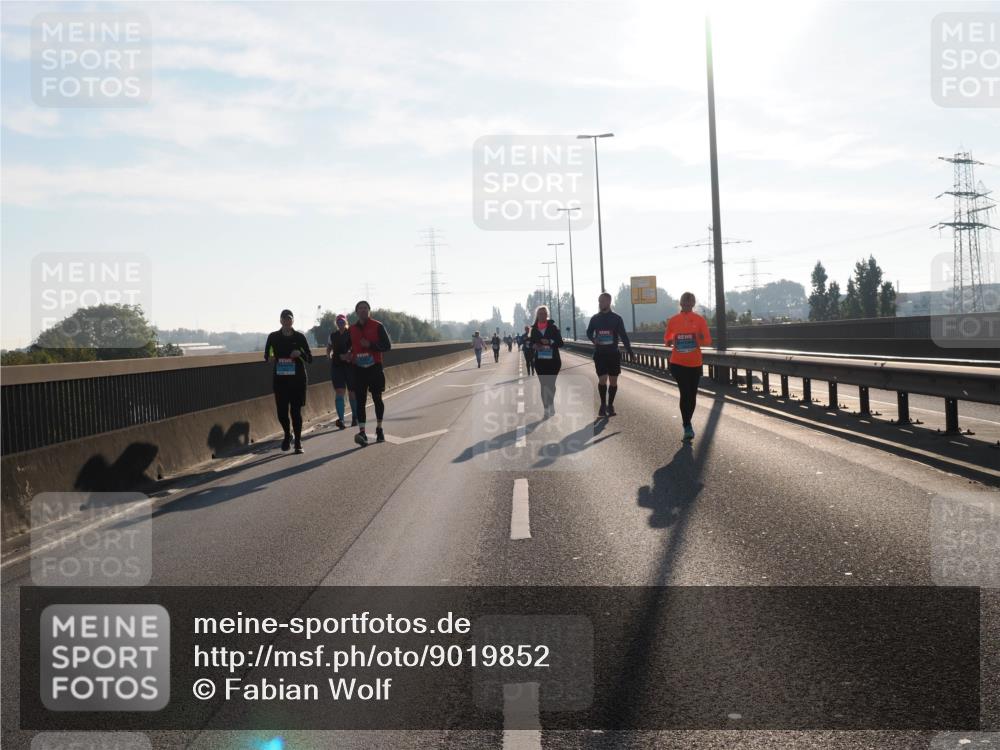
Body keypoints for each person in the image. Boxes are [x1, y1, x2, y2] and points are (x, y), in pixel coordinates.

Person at [664, 292, 712, 441]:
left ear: (693, 303)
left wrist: (697, 340)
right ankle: (687, 426)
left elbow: (708, 341)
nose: (686, 304)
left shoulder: (699, 320)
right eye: (684, 301)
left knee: (692, 395)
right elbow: (666, 339)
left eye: (689, 302)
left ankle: (687, 423)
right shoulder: (673, 320)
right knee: (685, 393)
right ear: (680, 303)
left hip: (695, 363)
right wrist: (671, 341)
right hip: (677, 363)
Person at [264, 309, 313, 454]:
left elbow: (310, 358)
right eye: (284, 319)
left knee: (296, 412)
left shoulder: (299, 337)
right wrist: (270, 358)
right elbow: (267, 354)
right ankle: (287, 434)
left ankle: (298, 442)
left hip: (297, 380)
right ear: (280, 321)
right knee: (282, 413)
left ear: (293, 321)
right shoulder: (273, 337)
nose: (287, 321)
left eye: (289, 319)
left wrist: (300, 353)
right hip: (280, 380)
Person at [350, 300, 392, 446]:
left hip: (374, 367)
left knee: (377, 398)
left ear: (369, 311)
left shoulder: (378, 326)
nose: (363, 310)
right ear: (356, 312)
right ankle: (362, 432)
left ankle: (379, 428)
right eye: (360, 308)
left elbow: (387, 346)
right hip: (359, 369)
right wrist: (347, 355)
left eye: (365, 308)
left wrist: (371, 345)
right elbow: (347, 348)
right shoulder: (352, 329)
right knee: (360, 401)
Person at [586, 292, 634, 417]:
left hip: (613, 354)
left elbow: (623, 336)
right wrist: (593, 339)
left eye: (603, 301)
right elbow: (589, 332)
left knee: (613, 381)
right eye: (599, 301)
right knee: (602, 379)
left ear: (609, 302)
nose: (600, 303)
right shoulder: (595, 318)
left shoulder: (616, 318)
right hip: (600, 354)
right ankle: (602, 404)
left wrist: (630, 352)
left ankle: (610, 405)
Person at [529, 305, 564, 417]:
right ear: (537, 316)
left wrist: (550, 341)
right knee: (544, 385)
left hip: (554, 361)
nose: (542, 315)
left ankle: (551, 403)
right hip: (540, 362)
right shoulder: (534, 330)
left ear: (547, 315)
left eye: (544, 313)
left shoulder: (553, 328)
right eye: (540, 314)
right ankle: (546, 409)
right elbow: (529, 343)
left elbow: (561, 343)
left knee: (551, 385)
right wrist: (534, 345)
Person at [326, 313, 357, 429]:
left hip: (350, 366)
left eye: (342, 322)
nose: (340, 324)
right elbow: (329, 347)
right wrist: (328, 355)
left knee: (352, 392)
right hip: (337, 366)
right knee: (339, 392)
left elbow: (357, 346)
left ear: (346, 322)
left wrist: (350, 355)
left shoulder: (351, 333)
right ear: (336, 323)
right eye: (338, 322)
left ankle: (355, 417)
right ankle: (342, 420)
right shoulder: (332, 336)